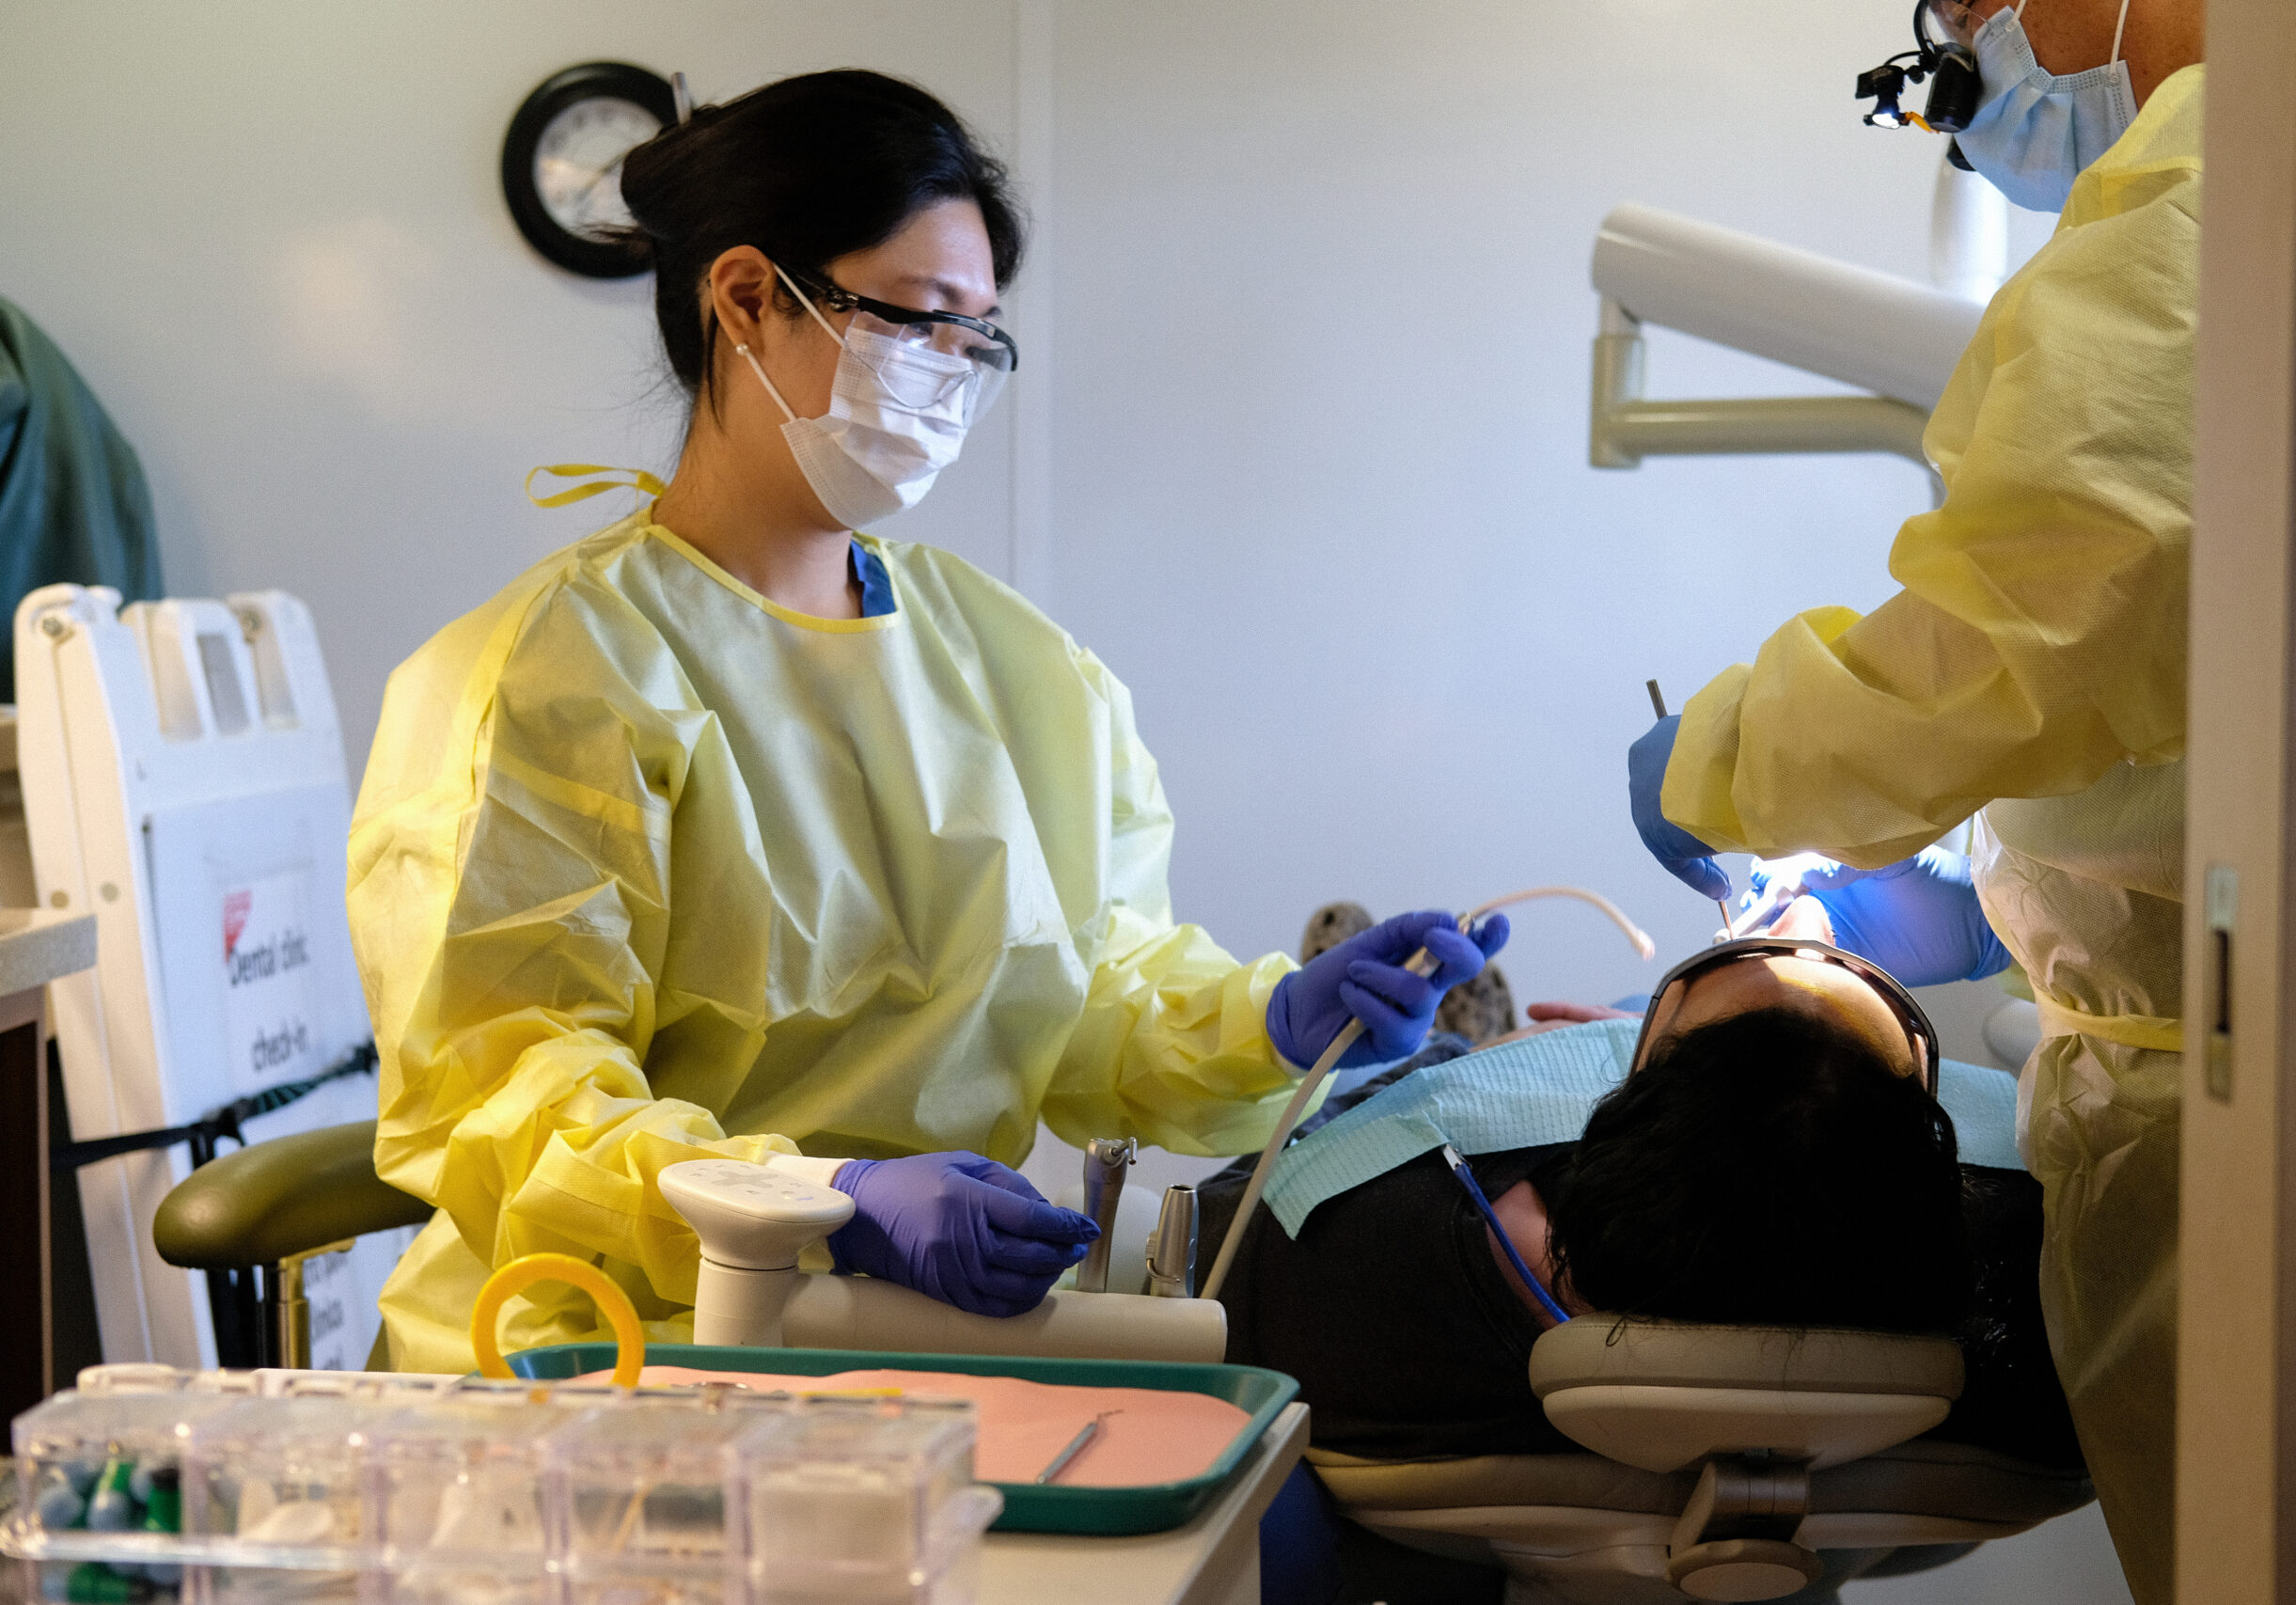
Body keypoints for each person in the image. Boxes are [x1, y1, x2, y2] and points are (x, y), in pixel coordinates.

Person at [348, 70, 1503, 1372]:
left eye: (978, 341)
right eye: (919, 322)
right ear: (745, 299)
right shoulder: (544, 680)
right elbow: (518, 1103)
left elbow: (1091, 986)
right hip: (594, 1353)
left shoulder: (1016, 670)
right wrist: (822, 1205)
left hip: (894, 1345)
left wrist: (1277, 1020)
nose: (950, 375)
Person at [1625, 0, 2200, 1594]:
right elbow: (2173, 684)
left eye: (1955, 25)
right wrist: (2019, 921)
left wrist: (1717, 764)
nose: (1963, 64)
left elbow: (2025, 619)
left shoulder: (2232, 176)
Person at [1205, 901, 2086, 1605]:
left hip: (1435, 1542)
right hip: (1840, 1537)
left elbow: (1225, 1229)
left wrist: (1519, 1071)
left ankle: (1476, 1043)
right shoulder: (2055, 1312)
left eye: (1634, 1061)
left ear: (1615, 1120)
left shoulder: (1361, 1248)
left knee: (1426, 1071)